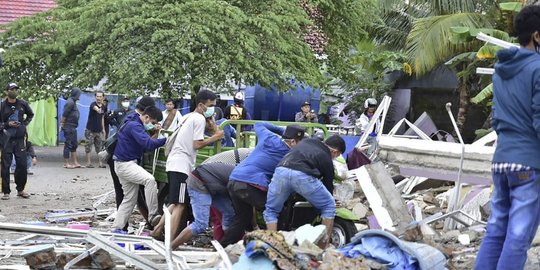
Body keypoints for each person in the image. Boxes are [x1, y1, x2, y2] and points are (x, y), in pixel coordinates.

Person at [475, 6, 540, 269]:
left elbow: (498, 117)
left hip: (501, 162)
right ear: (537, 36)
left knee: (496, 231)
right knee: (518, 238)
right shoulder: (537, 68)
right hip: (528, 163)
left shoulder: (502, 70)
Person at [152, 90, 224, 242]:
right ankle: (170, 241)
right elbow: (197, 144)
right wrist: (215, 137)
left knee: (174, 202)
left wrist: (213, 127)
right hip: (182, 165)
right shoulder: (198, 119)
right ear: (201, 105)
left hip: (174, 163)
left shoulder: (188, 116)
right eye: (210, 106)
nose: (212, 109)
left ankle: (158, 230)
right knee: (181, 204)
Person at [219, 123, 305, 247]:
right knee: (278, 211)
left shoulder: (269, 137)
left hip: (234, 179)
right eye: (300, 143)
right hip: (250, 184)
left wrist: (283, 131)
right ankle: (279, 246)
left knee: (242, 219)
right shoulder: (290, 155)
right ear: (292, 141)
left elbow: (259, 125)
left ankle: (222, 248)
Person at [264, 135, 345, 248]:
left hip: (281, 171)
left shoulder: (306, 142)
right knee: (329, 206)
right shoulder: (327, 158)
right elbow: (328, 185)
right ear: (335, 152)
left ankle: (271, 246)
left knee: (271, 210)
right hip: (302, 176)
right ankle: (321, 249)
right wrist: (328, 202)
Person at [111, 106, 166, 231]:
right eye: (153, 123)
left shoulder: (134, 121)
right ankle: (153, 215)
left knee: (129, 200)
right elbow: (148, 144)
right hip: (126, 164)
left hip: (122, 164)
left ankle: (116, 229)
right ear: (146, 117)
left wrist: (156, 133)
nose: (153, 125)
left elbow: (146, 144)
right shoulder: (135, 126)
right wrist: (167, 140)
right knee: (149, 180)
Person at [171, 162, 237, 249]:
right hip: (200, 181)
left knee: (229, 213)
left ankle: (227, 245)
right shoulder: (244, 177)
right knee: (200, 224)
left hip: (216, 184)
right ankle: (170, 248)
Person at [0, 82, 34, 200]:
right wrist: (7, 124)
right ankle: (6, 192)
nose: (14, 91)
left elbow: (30, 114)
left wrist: (23, 125)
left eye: (16, 89)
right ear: (6, 91)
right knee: (5, 165)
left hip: (20, 139)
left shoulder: (22, 104)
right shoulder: (2, 106)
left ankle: (20, 189)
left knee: (22, 165)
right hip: (6, 139)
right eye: (12, 89)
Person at [61, 87, 82, 169]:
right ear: (76, 94)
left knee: (74, 144)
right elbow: (64, 114)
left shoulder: (73, 102)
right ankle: (66, 163)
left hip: (73, 126)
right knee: (68, 144)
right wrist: (62, 124)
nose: (80, 96)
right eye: (79, 94)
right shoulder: (70, 102)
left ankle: (75, 162)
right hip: (68, 126)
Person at [85, 91, 106, 168]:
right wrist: (98, 109)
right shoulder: (93, 104)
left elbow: (102, 117)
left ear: (103, 97)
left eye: (100, 96)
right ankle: (88, 163)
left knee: (100, 147)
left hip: (99, 130)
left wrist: (103, 129)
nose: (98, 98)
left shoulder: (104, 106)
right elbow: (95, 108)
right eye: (97, 96)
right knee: (88, 146)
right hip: (90, 129)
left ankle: (100, 163)